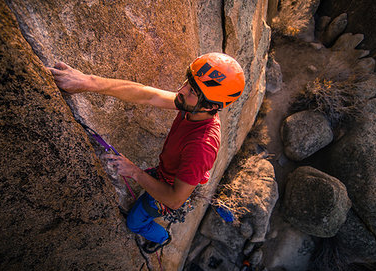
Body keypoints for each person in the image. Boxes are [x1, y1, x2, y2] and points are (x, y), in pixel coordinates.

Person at [48, 53, 245, 253]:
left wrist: (135, 172)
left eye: (192, 90)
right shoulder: (195, 106)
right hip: (165, 174)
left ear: (212, 106)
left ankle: (163, 238)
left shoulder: (202, 146)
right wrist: (87, 82)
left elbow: (175, 200)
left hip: (169, 191)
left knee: (134, 222)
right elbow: (147, 94)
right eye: (188, 81)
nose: (181, 90)